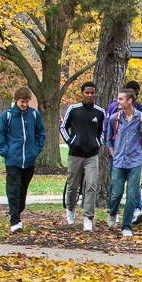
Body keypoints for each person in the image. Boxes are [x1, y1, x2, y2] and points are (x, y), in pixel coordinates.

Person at [0, 87, 45, 233]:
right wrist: (6, 153)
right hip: (13, 160)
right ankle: (15, 221)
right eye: (22, 102)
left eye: (27, 102)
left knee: (22, 191)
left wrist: (36, 149)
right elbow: (0, 135)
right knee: (14, 190)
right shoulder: (7, 115)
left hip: (29, 160)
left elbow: (41, 133)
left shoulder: (34, 115)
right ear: (16, 100)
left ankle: (17, 212)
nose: (24, 104)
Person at [104, 88, 142, 237]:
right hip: (118, 162)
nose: (117, 101)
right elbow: (109, 140)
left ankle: (126, 226)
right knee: (116, 194)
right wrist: (114, 154)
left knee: (131, 195)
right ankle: (113, 213)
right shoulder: (115, 118)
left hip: (135, 163)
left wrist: (141, 158)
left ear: (129, 100)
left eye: (120, 99)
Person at [59, 81, 105, 231]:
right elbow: (63, 127)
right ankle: (71, 208)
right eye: (87, 92)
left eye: (92, 93)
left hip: (92, 154)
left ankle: (88, 217)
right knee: (73, 185)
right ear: (82, 93)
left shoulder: (100, 112)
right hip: (75, 153)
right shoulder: (73, 109)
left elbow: (103, 131)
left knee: (91, 185)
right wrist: (71, 142)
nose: (90, 95)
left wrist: (98, 143)